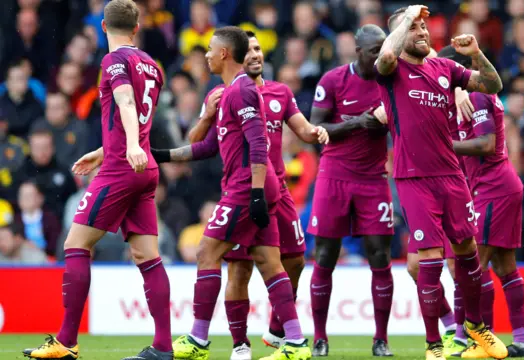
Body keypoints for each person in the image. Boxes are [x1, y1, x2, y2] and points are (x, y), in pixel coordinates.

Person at [153, 30, 328, 360]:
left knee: (206, 252)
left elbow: (259, 143)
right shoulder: (228, 93)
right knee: (268, 261)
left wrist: (257, 193)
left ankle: (198, 339)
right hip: (253, 186)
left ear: (223, 55)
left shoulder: (242, 90)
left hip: (247, 187)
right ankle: (295, 342)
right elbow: (206, 146)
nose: (205, 55)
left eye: (209, 49)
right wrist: (160, 154)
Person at [22, 1, 172, 359]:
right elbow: (142, 115)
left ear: (103, 25)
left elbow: (125, 102)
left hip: (123, 167)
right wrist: (107, 149)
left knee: (76, 245)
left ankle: (66, 342)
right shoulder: (153, 66)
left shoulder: (112, 61)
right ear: (137, 27)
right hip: (143, 167)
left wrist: (127, 147)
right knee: (148, 256)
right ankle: (163, 347)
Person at [374, 5, 506, 360]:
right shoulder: (392, 71)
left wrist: (477, 54)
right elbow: (386, 55)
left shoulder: (445, 68)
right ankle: (435, 344)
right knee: (429, 261)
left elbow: (494, 85)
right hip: (413, 179)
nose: (422, 32)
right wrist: (404, 19)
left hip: (452, 176)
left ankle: (476, 327)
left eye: (423, 26)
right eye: (413, 28)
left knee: (467, 254)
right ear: (400, 33)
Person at [305, 23, 394, 357]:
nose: (381, 56)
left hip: (373, 178)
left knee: (380, 257)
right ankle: (320, 337)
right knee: (325, 256)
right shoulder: (332, 81)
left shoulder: (390, 81)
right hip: (334, 176)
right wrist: (357, 122)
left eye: (384, 50)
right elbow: (316, 129)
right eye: (375, 51)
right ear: (359, 51)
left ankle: (381, 338)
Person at [438, 45, 524, 358]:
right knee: (505, 267)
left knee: (470, 267)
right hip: (495, 187)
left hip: (495, 189)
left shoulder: (477, 96)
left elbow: (486, 143)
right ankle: (521, 341)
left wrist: (443, 146)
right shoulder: (465, 97)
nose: (438, 73)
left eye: (443, 67)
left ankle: (479, 341)